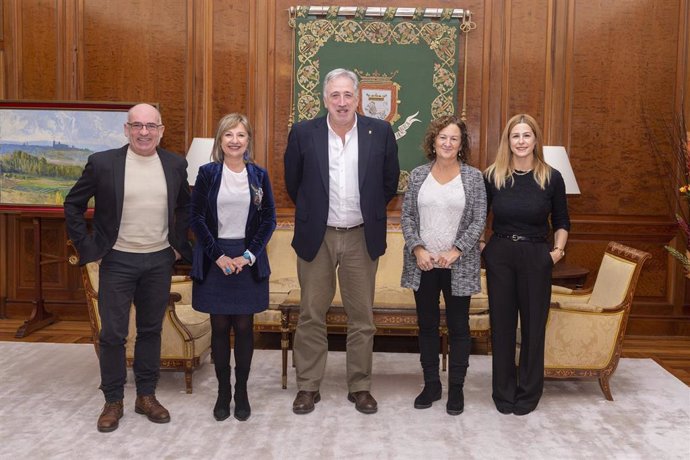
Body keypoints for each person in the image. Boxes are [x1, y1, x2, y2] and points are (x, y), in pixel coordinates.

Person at [64, 103, 192, 433]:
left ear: (161, 130)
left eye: (151, 126)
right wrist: (89, 246)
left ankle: (146, 396)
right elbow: (73, 204)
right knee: (113, 334)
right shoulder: (103, 163)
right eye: (137, 126)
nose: (144, 132)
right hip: (117, 260)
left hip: (158, 261)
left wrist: (177, 244)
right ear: (126, 129)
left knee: (151, 331)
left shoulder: (175, 164)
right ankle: (113, 400)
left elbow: (185, 206)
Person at [284, 68, 400, 415]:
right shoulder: (304, 133)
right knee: (310, 315)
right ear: (325, 100)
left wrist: (367, 210)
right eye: (335, 95)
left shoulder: (379, 132)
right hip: (316, 237)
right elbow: (294, 182)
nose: (342, 102)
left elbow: (388, 183)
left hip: (361, 236)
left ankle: (360, 386)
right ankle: (308, 386)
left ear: (358, 98)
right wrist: (315, 211)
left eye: (348, 95)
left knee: (362, 317)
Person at [189, 113, 276, 422]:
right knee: (219, 327)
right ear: (220, 140)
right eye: (229, 135)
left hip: (247, 260)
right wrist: (219, 256)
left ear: (248, 140)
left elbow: (269, 220)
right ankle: (223, 392)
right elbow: (196, 217)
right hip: (216, 257)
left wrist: (248, 255)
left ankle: (242, 392)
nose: (235, 140)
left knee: (243, 327)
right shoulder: (207, 173)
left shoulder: (259, 175)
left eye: (240, 135)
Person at [482, 113, 570, 416]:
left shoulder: (552, 177)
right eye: (515, 136)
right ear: (508, 140)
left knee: (533, 327)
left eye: (526, 135)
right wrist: (485, 248)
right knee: (502, 327)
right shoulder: (493, 175)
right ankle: (503, 392)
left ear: (535, 140)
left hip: (536, 256)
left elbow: (561, 221)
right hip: (501, 255)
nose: (521, 141)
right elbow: (480, 219)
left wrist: (556, 252)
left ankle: (529, 392)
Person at [401, 115, 486, 415]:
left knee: (459, 328)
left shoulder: (474, 177)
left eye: (454, 139)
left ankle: (456, 391)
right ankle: (431, 385)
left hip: (457, 266)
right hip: (422, 265)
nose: (447, 143)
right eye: (442, 138)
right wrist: (418, 249)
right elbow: (407, 217)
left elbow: (478, 220)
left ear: (461, 145)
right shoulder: (418, 175)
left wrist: (457, 250)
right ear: (433, 142)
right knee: (426, 327)